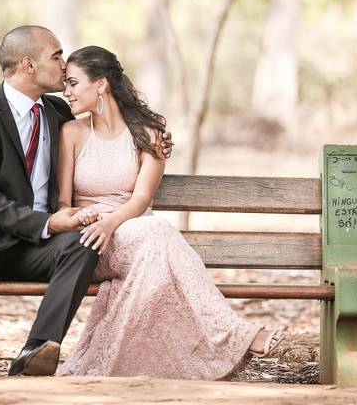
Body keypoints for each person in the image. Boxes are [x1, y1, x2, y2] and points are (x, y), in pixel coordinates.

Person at [0, 26, 174, 377]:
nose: (64, 66)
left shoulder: (58, 114)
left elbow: (111, 124)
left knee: (83, 244)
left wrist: (153, 137)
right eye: (57, 56)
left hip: (38, 249)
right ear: (29, 64)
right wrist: (49, 222)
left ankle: (35, 352)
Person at [55, 46, 285, 380]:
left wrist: (111, 222)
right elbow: (63, 202)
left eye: (74, 83)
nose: (67, 91)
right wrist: (82, 219)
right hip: (91, 244)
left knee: (155, 235)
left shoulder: (150, 132)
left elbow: (141, 199)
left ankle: (220, 339)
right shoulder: (71, 133)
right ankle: (236, 334)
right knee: (159, 234)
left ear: (101, 84)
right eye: (66, 83)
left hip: (134, 232)